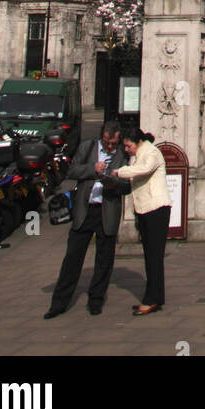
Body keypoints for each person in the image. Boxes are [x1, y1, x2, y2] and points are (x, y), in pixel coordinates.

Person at [43, 120, 131, 320]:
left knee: (104, 259)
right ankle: (59, 303)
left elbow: (126, 185)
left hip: (107, 210)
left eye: (113, 144)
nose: (110, 147)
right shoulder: (87, 147)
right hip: (85, 210)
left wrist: (113, 183)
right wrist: (93, 169)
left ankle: (96, 300)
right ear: (102, 137)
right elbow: (72, 171)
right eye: (107, 143)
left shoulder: (122, 155)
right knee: (72, 258)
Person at [112, 126, 171, 316]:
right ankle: (156, 297)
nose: (126, 150)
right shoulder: (138, 155)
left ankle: (151, 299)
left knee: (154, 256)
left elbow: (144, 170)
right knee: (150, 255)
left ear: (137, 142)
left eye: (128, 146)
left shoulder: (152, 153)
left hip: (156, 209)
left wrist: (119, 172)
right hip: (145, 209)